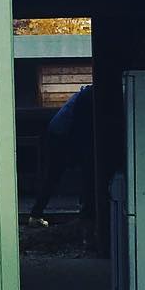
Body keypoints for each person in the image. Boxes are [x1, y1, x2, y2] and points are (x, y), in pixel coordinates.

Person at [28, 83, 94, 226]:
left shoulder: (86, 94)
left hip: (60, 131)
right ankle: (85, 212)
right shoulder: (89, 96)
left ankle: (36, 214)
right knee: (58, 174)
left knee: (54, 175)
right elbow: (82, 128)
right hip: (62, 135)